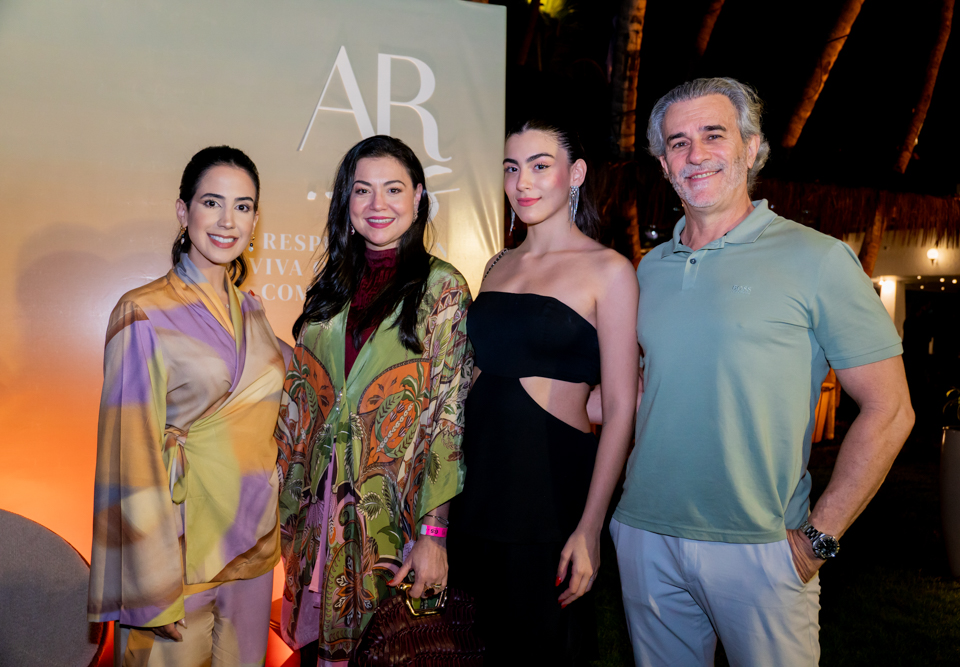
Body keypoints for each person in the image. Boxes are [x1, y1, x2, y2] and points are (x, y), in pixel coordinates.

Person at [611, 77, 916, 666]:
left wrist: (819, 539)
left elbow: (891, 409)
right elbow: (643, 391)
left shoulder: (819, 259)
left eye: (713, 135)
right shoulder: (649, 271)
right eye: (678, 143)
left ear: (751, 149)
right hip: (645, 533)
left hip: (761, 547)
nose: (695, 154)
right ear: (663, 165)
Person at [275, 135, 473, 666]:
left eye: (393, 189)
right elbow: (304, 398)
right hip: (318, 519)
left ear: (419, 197)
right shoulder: (331, 286)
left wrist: (434, 534)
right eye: (363, 191)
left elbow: (447, 421)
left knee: (388, 650)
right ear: (347, 201)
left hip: (392, 519)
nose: (377, 205)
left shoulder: (442, 290)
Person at [448, 119, 640, 665]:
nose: (522, 182)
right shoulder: (497, 265)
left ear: (574, 173)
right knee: (472, 645)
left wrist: (590, 525)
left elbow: (621, 405)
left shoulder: (609, 271)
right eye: (512, 168)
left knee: (542, 649)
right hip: (477, 486)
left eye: (539, 165)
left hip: (548, 491)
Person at [88, 146, 288, 666]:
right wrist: (150, 590)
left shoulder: (254, 313)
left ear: (256, 219)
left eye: (243, 207)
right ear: (184, 211)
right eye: (212, 203)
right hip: (176, 559)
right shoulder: (143, 311)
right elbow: (128, 455)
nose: (227, 221)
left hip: (254, 548)